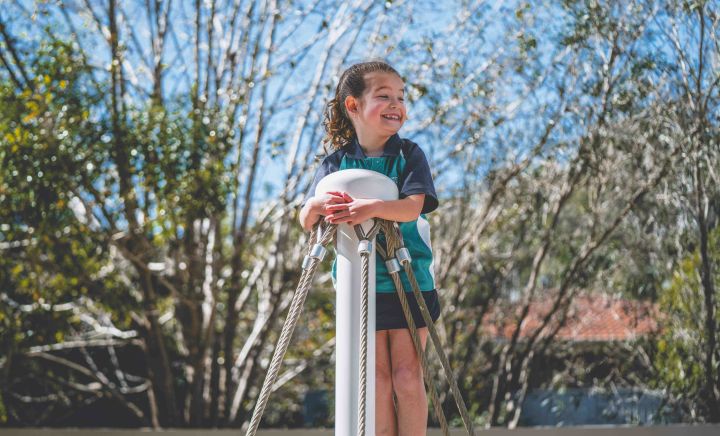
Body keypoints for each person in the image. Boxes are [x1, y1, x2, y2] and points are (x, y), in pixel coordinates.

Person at [298, 60, 440, 435]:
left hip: (409, 281)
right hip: (361, 289)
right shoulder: (335, 164)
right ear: (353, 105)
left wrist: (373, 207)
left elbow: (411, 208)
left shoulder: (409, 155)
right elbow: (308, 219)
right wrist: (311, 206)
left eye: (401, 97)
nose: (396, 104)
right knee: (374, 381)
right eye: (384, 96)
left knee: (407, 376)